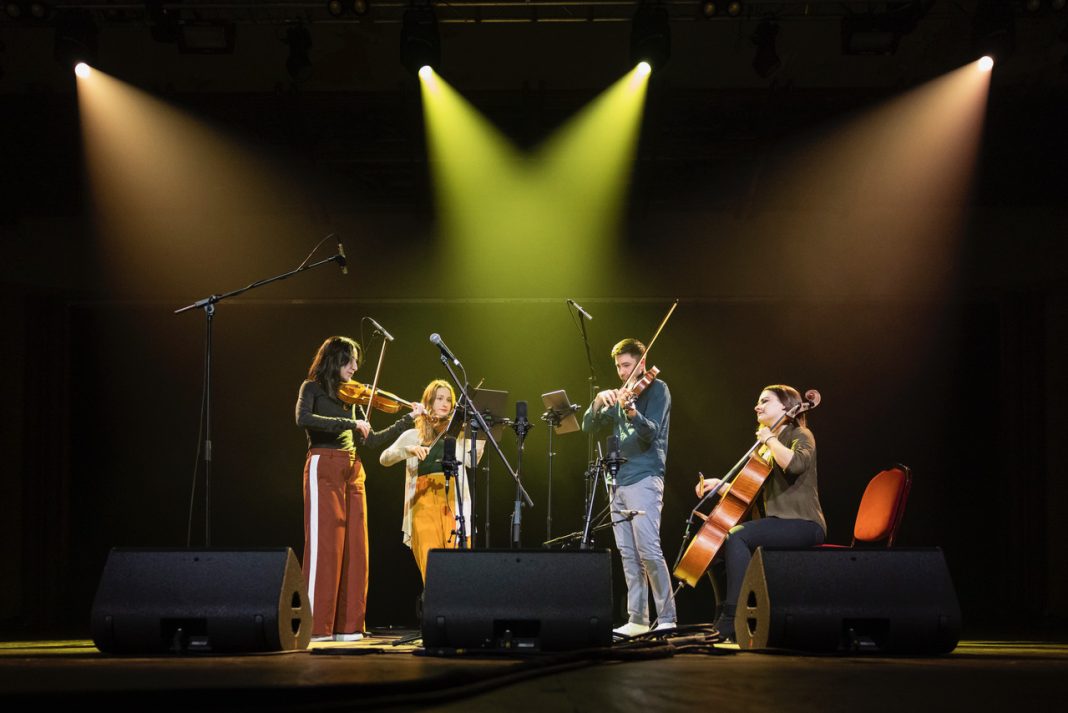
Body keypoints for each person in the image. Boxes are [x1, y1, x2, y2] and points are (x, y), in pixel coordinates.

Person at [295, 336, 424, 643]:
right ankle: (317, 628)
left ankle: (348, 627)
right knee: (326, 547)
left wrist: (408, 418)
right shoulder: (310, 388)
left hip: (353, 470)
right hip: (323, 463)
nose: (355, 367)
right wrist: (350, 425)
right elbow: (302, 419)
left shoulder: (351, 400)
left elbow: (373, 440)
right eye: (349, 360)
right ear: (334, 359)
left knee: (356, 549)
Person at [695, 384, 827, 641]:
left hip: (804, 524)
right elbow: (749, 493)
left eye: (765, 401)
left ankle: (735, 617)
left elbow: (796, 464)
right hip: (777, 524)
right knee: (719, 544)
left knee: (738, 536)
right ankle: (722, 615)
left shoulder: (801, 434)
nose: (758, 406)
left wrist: (769, 439)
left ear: (786, 407)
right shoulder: (766, 448)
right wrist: (721, 486)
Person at [582, 338, 676, 636]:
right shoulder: (622, 393)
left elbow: (651, 433)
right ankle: (637, 619)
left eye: (627, 365)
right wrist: (598, 401)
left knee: (648, 549)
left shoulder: (657, 390)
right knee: (627, 552)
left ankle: (667, 618)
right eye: (619, 367)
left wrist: (632, 412)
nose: (622, 373)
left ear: (642, 363)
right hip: (616, 479)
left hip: (644, 475)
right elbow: (588, 426)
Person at [380, 379, 484, 582]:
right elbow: (384, 458)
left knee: (459, 570)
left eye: (449, 400)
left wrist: (480, 432)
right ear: (429, 402)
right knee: (432, 570)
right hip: (423, 504)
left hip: (455, 502)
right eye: (439, 399)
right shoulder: (413, 435)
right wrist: (407, 450)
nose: (445, 404)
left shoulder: (459, 436)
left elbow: (473, 461)